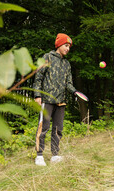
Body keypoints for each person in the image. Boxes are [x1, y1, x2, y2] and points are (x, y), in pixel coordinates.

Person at [33, 33, 77, 166]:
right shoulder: (47, 57)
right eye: (65, 45)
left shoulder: (66, 64)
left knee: (58, 129)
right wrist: (37, 95)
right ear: (58, 45)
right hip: (46, 99)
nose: (68, 48)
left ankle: (55, 155)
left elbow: (68, 83)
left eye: (69, 46)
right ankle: (39, 155)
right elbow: (38, 77)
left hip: (61, 100)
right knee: (44, 127)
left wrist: (74, 91)